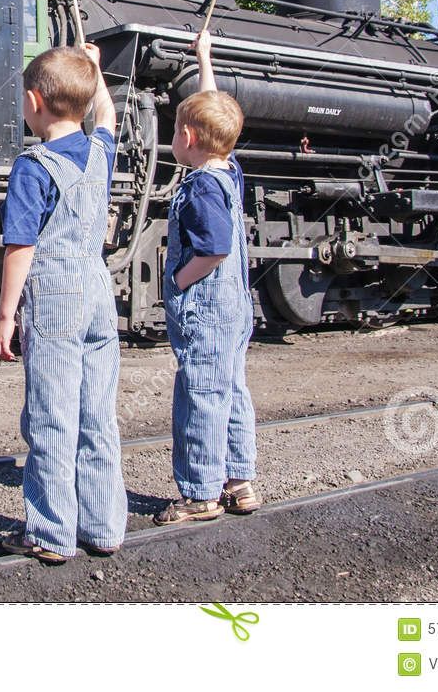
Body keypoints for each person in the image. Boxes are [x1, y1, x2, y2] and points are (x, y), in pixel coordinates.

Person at [0, 43, 127, 563]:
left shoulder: (32, 167)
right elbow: (108, 114)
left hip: (55, 298)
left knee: (51, 415)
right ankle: (104, 526)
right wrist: (95, 70)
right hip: (96, 291)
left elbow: (20, 248)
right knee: (97, 414)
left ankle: (50, 533)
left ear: (33, 101)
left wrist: (6, 316)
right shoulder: (101, 151)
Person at [154, 28, 261, 525]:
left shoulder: (199, 185)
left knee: (200, 395)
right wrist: (205, 58)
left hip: (206, 311)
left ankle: (199, 493)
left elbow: (215, 248)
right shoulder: (227, 169)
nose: (172, 137)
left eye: (176, 130)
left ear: (188, 139)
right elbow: (215, 113)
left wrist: (178, 280)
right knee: (231, 390)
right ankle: (239, 482)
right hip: (235, 311)